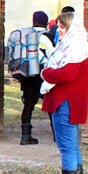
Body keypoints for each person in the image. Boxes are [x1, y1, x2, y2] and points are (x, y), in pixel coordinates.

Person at [40, 12, 88, 174]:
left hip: (65, 101)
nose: (58, 30)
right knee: (73, 146)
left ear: (71, 28)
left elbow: (67, 74)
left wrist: (46, 72)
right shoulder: (77, 46)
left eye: (62, 27)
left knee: (67, 147)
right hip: (71, 100)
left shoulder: (75, 48)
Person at [17, 11, 55, 145]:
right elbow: (52, 55)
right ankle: (56, 134)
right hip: (42, 75)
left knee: (28, 106)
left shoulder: (25, 35)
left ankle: (25, 136)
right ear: (45, 22)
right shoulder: (46, 37)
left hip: (27, 75)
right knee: (50, 104)